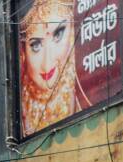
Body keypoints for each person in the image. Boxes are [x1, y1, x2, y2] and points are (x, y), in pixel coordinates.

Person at [18, 0, 86, 137]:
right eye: (36, 45)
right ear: (24, 54)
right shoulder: (19, 113)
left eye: (58, 35)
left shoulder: (85, 91)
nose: (47, 60)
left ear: (74, 31)